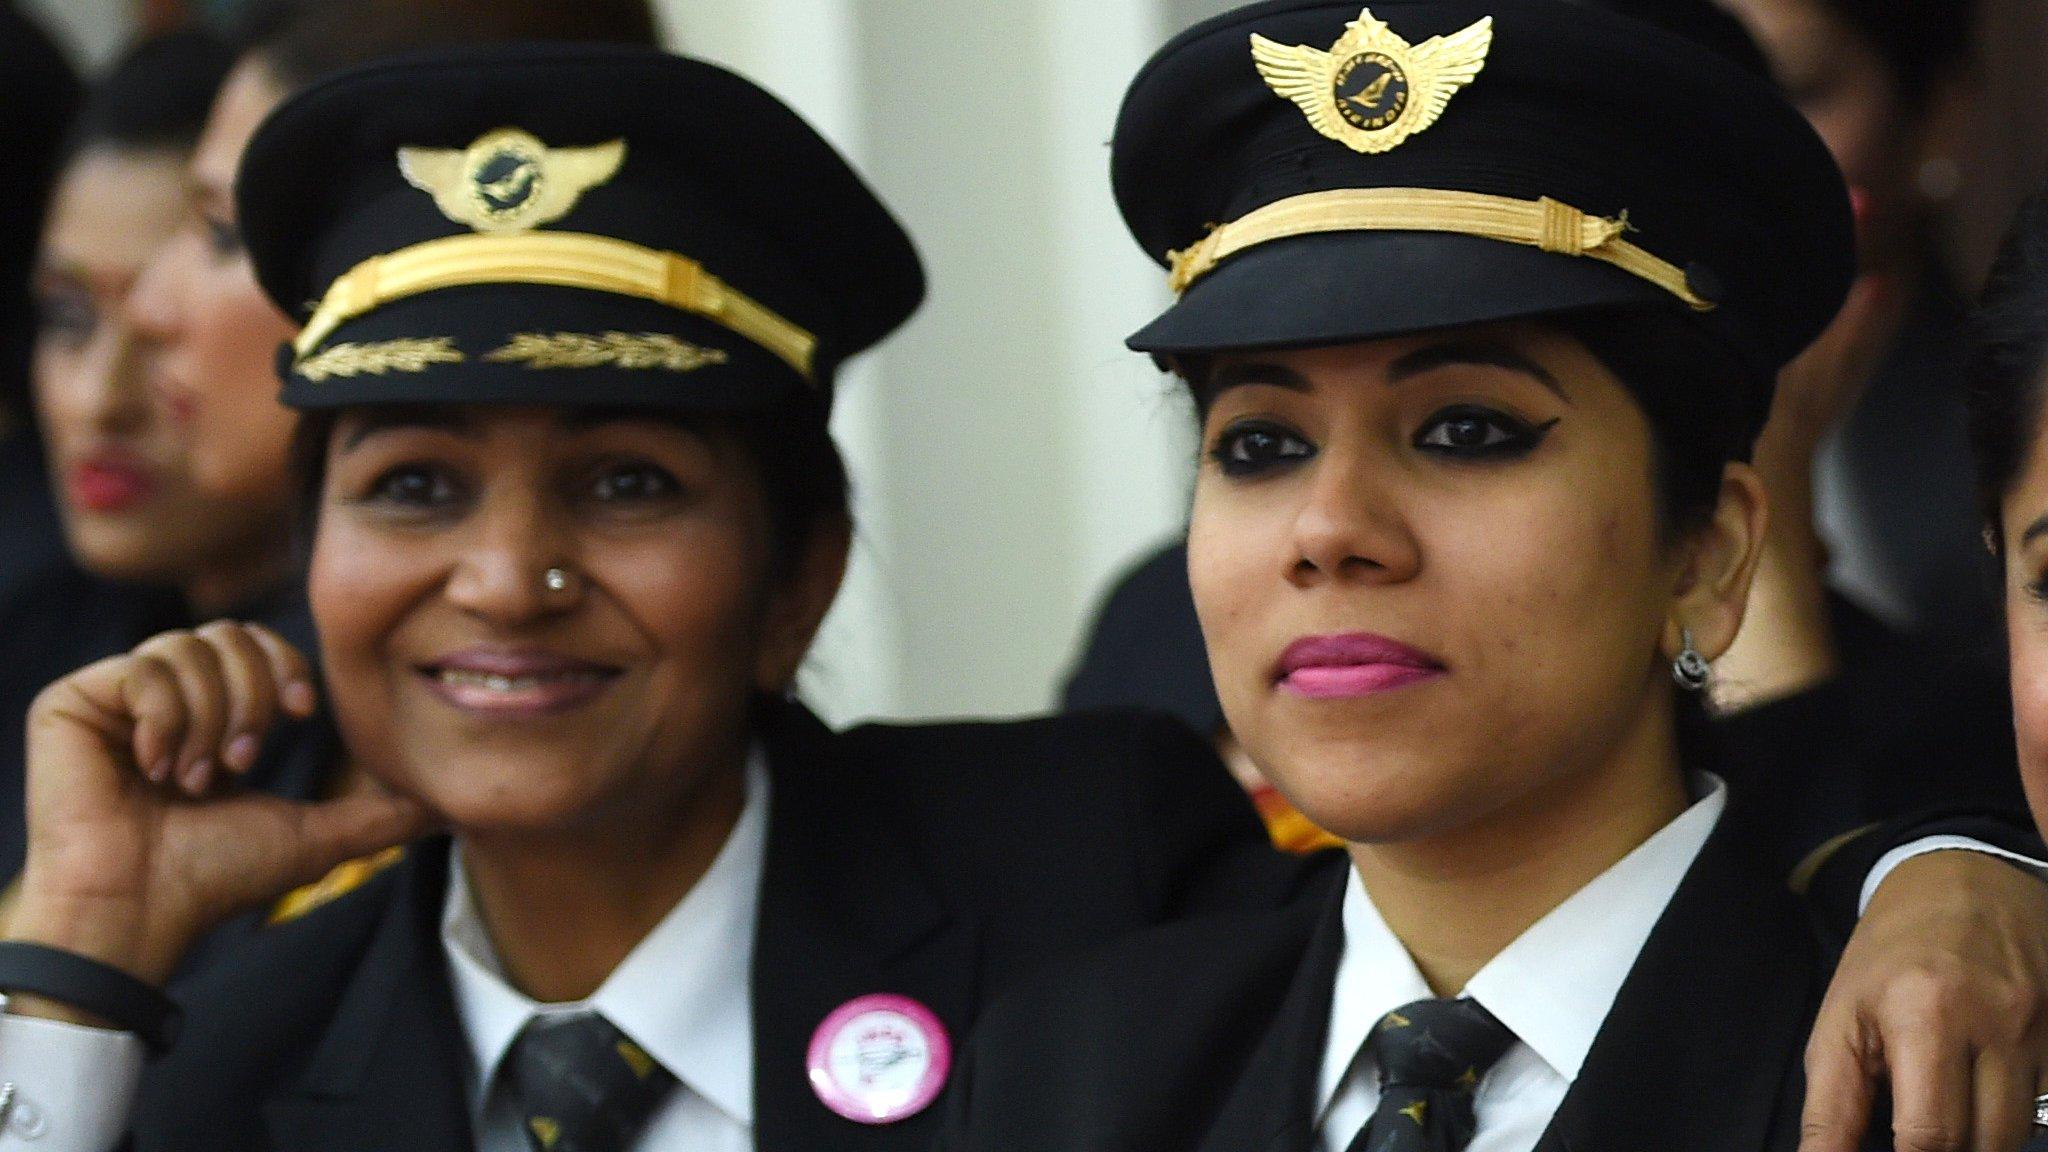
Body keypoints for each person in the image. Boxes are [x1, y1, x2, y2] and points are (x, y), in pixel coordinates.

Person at [0, 45, 1302, 1152]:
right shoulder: (220, 1056)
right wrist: (79, 946)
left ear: (801, 572)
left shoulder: (1091, 884)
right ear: (312, 564)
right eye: (414, 486)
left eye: (626, 483)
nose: (510, 582)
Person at [940, 2, 2048, 1150]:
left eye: (1466, 431)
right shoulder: (1066, 1073)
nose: (1329, 530)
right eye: (1259, 445)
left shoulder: (1928, 1061)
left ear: (1707, 551)